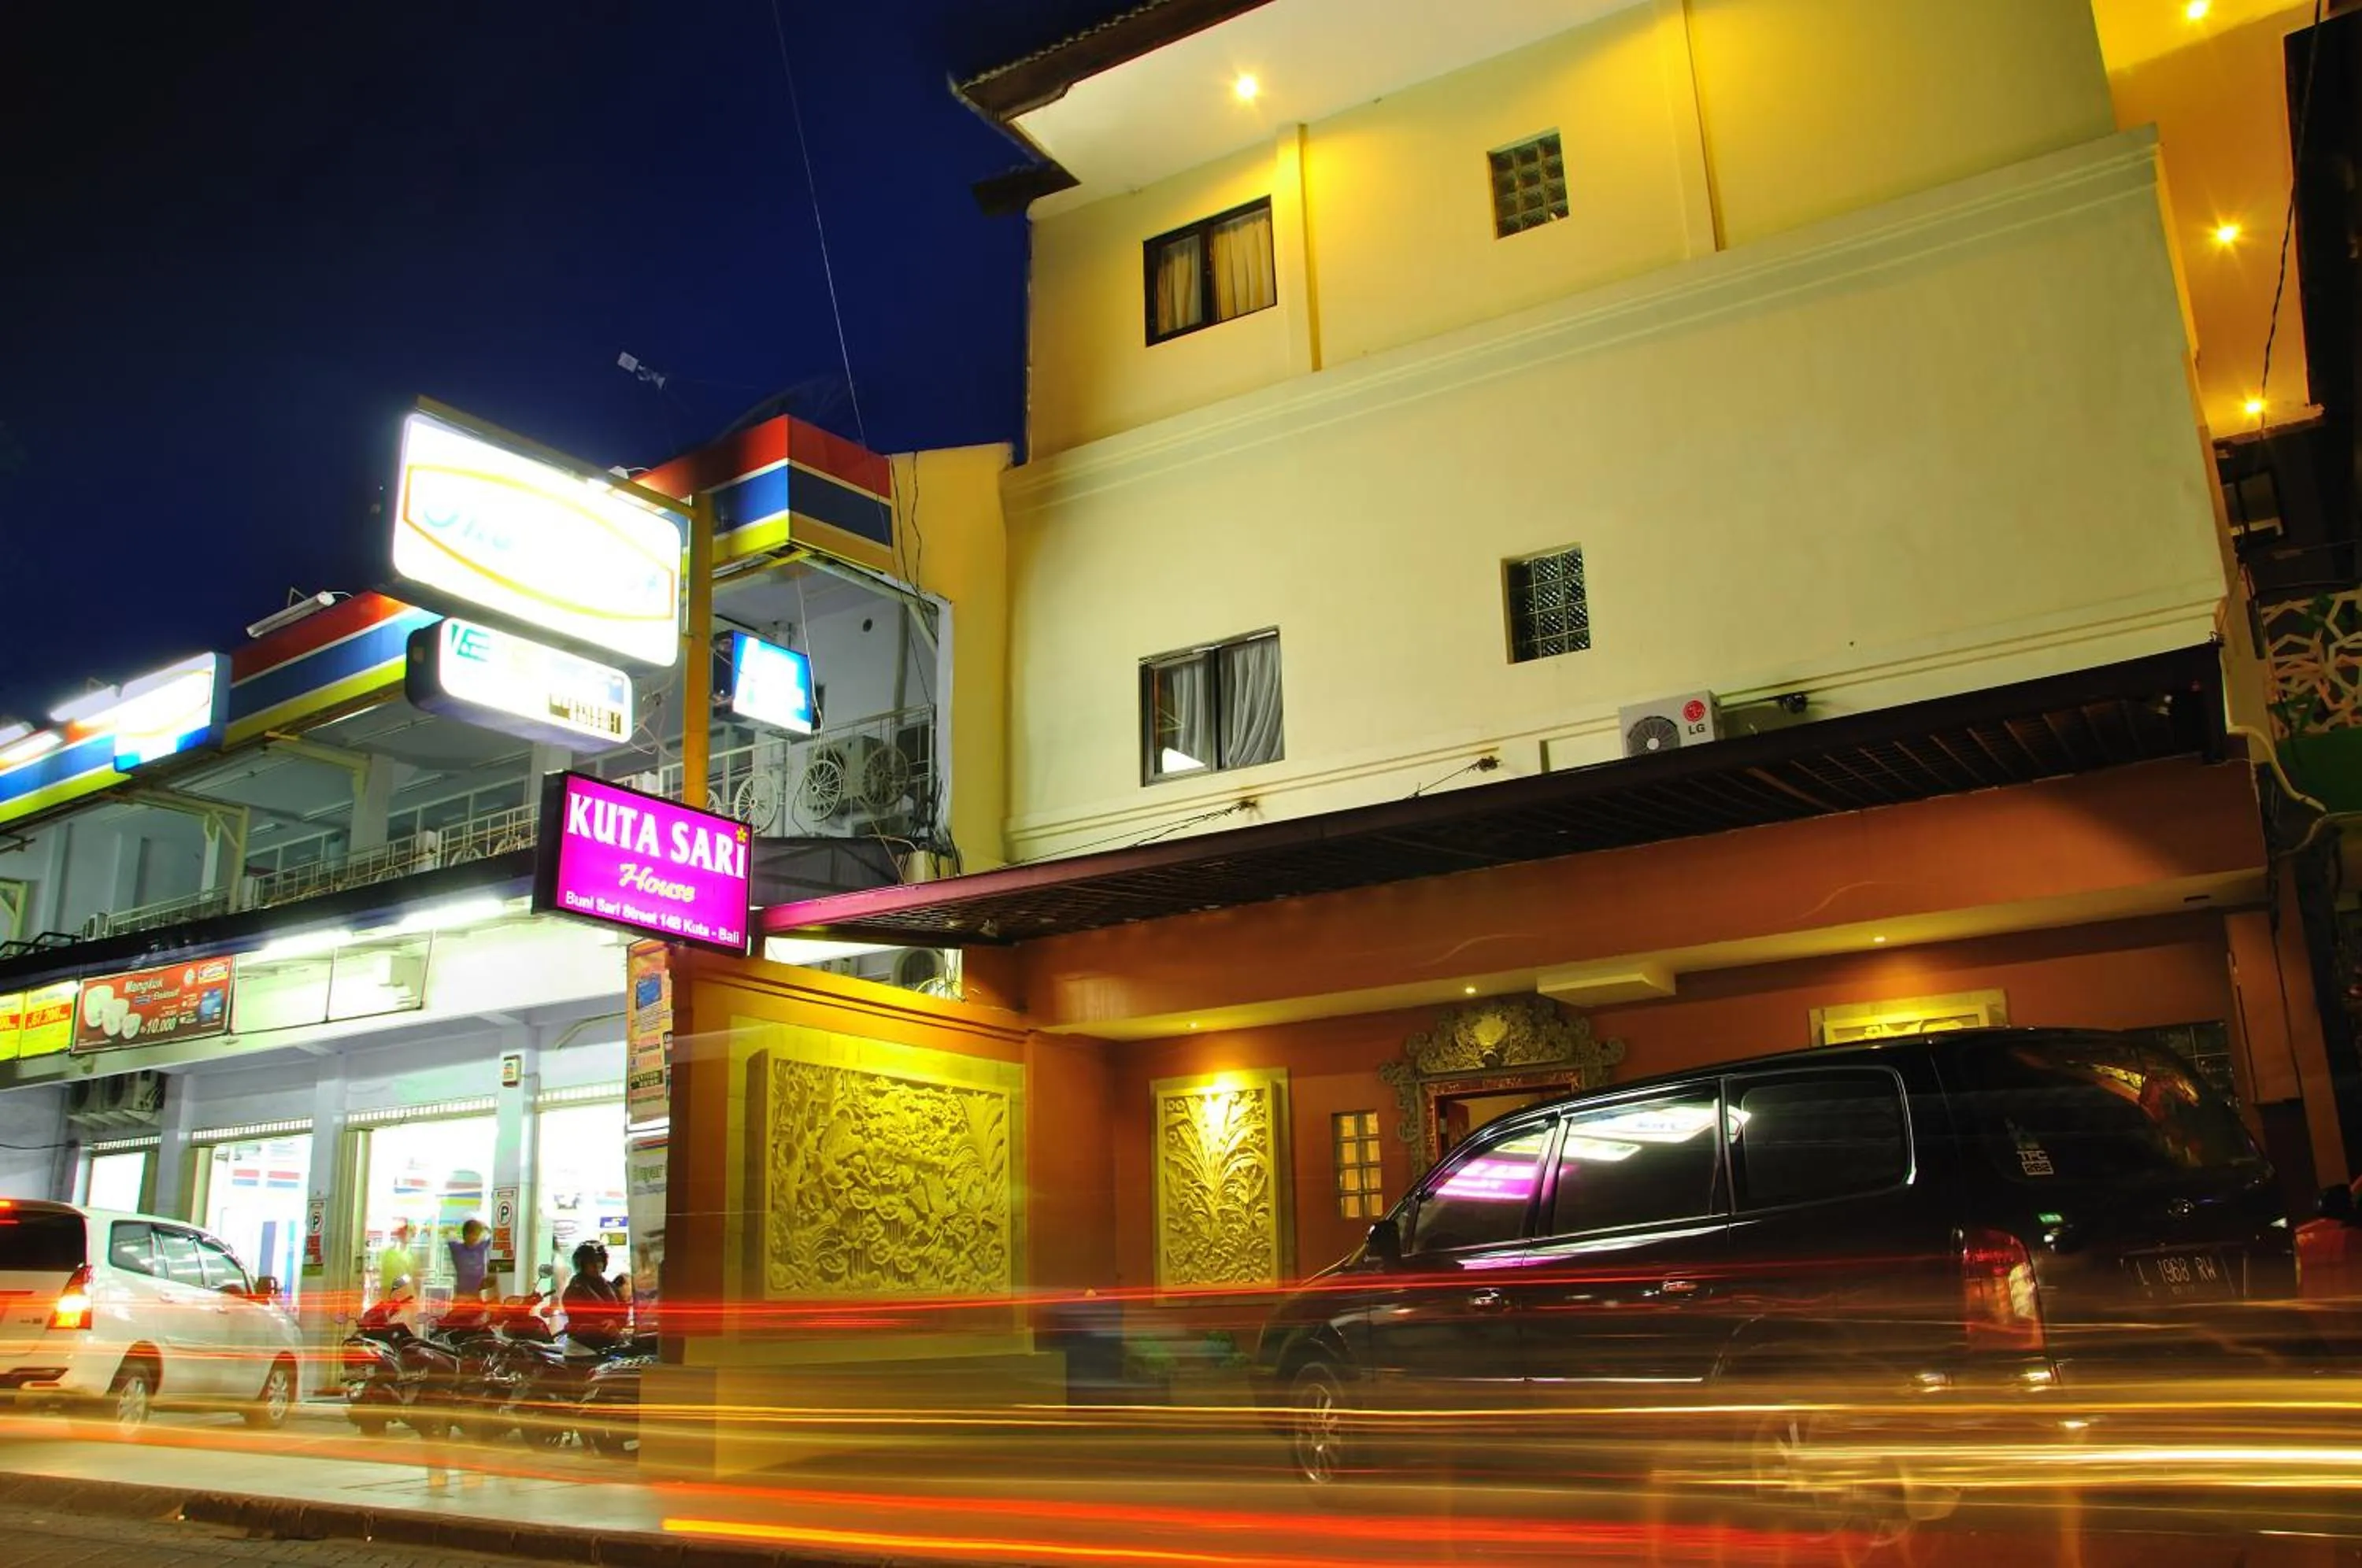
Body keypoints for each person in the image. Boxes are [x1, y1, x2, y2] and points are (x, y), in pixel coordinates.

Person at [561, 1240, 626, 1348]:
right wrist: (604, 1324)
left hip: (609, 1343)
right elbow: (579, 1316)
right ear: (582, 1265)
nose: (596, 1266)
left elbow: (623, 1309)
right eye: (591, 1262)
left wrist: (616, 1322)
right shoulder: (575, 1289)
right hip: (582, 1344)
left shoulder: (610, 1287)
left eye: (599, 1261)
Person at [447, 1219, 492, 1301]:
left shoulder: (481, 1247)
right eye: (471, 1235)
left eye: (476, 1236)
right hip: (462, 1294)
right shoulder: (457, 1249)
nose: (473, 1238)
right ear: (465, 1235)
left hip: (477, 1294)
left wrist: (486, 1227)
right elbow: (450, 1236)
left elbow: (493, 1236)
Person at [376, 1220, 417, 1306]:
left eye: (411, 1234)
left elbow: (409, 1274)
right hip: (394, 1291)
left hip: (401, 1291)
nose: (409, 1236)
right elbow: (390, 1275)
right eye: (408, 1233)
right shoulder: (392, 1253)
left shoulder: (409, 1254)